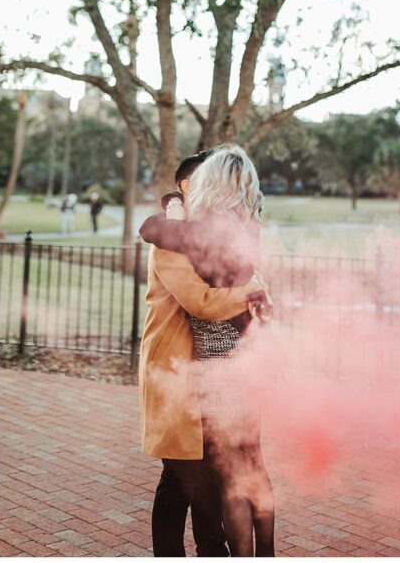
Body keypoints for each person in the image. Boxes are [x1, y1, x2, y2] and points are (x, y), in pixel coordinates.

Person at [141, 145, 275, 556]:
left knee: (219, 476)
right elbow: (201, 301)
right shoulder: (205, 234)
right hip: (184, 367)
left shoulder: (204, 233)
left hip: (218, 367)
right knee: (189, 477)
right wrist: (255, 295)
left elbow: (223, 292)